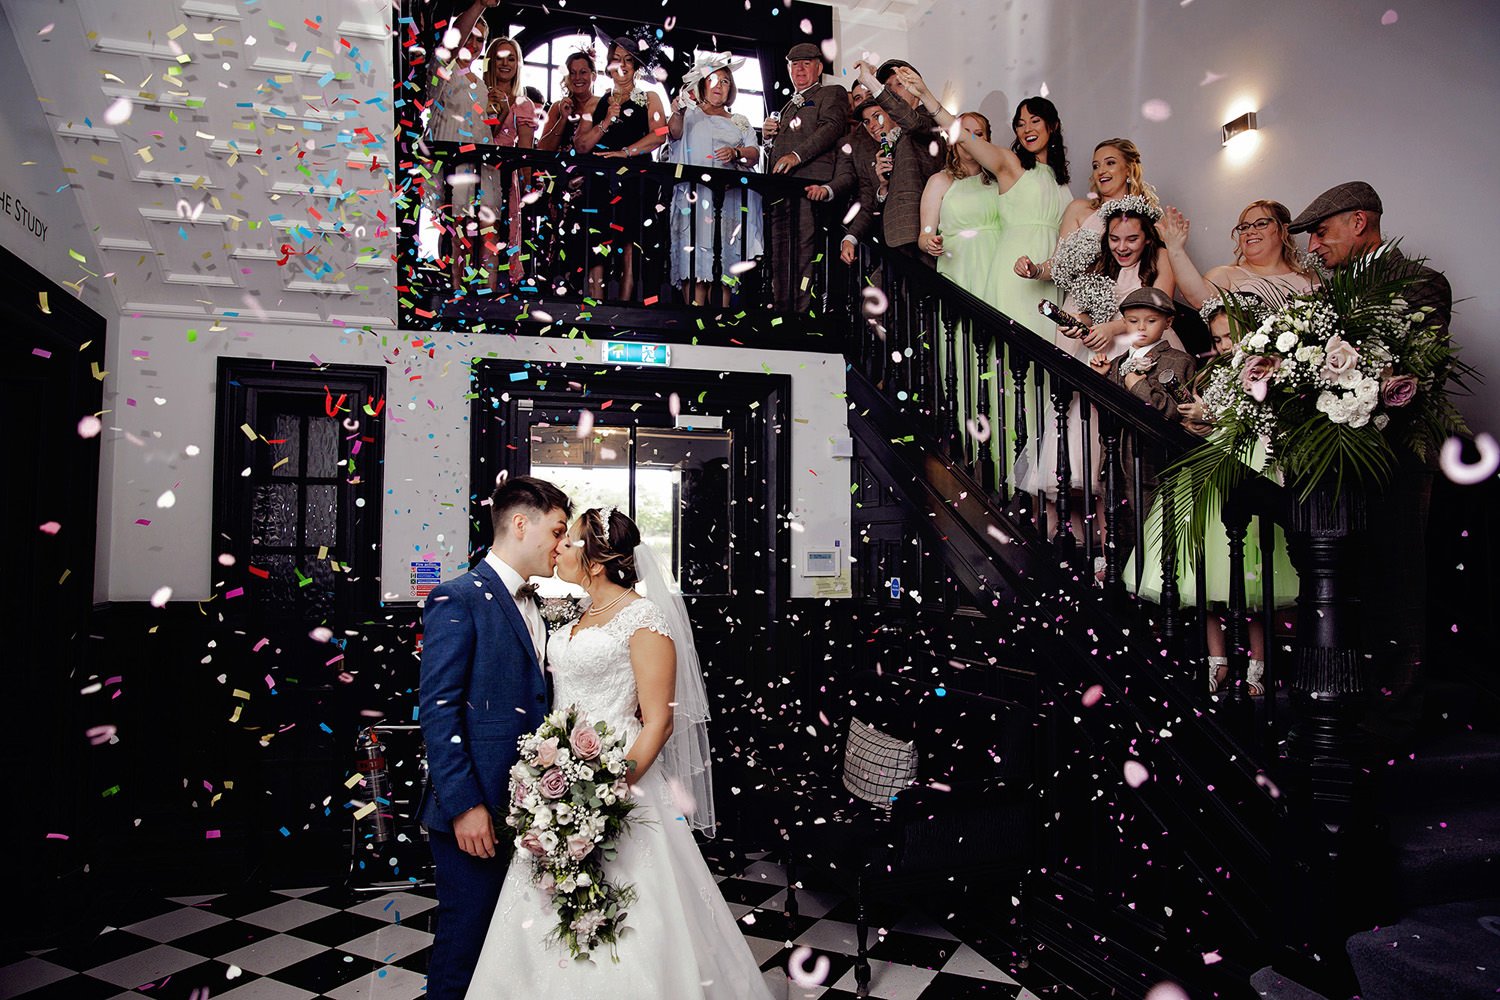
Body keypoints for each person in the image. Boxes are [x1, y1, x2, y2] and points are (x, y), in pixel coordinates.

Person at [465, 509, 773, 999]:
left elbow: (660, 720)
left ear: (597, 559)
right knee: (548, 904)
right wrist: (552, 778)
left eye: (569, 543)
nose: (559, 549)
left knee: (636, 920)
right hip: (559, 784)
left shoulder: (644, 619)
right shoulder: (575, 614)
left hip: (622, 784)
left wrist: (609, 788)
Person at [1289, 180, 1453, 745]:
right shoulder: (1328, 294)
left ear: (1359, 223)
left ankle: (1396, 719)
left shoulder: (1422, 283)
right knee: (1349, 586)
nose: (1313, 246)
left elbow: (1405, 364)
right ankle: (1354, 707)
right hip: (1338, 465)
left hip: (1397, 462)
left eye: (1321, 231)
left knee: (1396, 587)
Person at [418, 476, 574, 1000]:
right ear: (521, 523)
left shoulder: (545, 602)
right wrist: (464, 806)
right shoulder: (457, 597)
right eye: (556, 531)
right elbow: (438, 713)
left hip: (530, 811)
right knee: (464, 944)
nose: (561, 544)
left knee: (513, 950)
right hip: (477, 808)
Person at [1132, 294, 1298, 695]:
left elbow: (1262, 424)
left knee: (1253, 577)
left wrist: (1214, 418)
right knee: (1201, 577)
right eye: (1218, 339)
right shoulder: (1208, 373)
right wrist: (1197, 422)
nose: (1225, 346)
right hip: (1207, 473)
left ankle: (1259, 662)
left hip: (1249, 468)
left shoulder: (1270, 373)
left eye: (1231, 337)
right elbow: (1199, 425)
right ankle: (1216, 660)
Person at [572, 36, 668, 301]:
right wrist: (605, 122)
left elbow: (660, 135)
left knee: (629, 241)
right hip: (601, 179)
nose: (622, 65)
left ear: (636, 66)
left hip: (636, 177)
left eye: (628, 60)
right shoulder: (597, 102)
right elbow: (581, 145)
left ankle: (625, 304)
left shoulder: (650, 97)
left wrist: (625, 153)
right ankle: (596, 300)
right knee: (598, 239)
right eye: (617, 59)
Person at [666, 54, 763, 306]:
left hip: (727, 201)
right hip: (695, 200)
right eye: (713, 80)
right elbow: (674, 133)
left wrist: (736, 153)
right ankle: (693, 321)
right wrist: (677, 111)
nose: (719, 85)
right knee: (695, 263)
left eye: (725, 81)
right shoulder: (690, 115)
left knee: (723, 268)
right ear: (703, 84)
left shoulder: (739, 121)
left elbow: (753, 154)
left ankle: (720, 322)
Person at [764, 43, 848, 313]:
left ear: (819, 68)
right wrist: (767, 140)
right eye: (794, 64)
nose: (800, 68)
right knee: (780, 254)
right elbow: (778, 150)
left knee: (804, 254)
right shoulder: (788, 106)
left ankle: (800, 317)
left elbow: (831, 128)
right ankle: (782, 313)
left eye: (806, 63)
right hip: (780, 191)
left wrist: (795, 156)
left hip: (808, 187)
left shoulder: (831, 93)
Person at [1014, 137, 1160, 287]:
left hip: (1128, 303)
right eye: (1096, 166)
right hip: (1079, 304)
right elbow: (1058, 263)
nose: (1101, 171)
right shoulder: (1079, 209)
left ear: (1129, 170)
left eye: (1110, 163)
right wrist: (1035, 270)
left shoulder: (1148, 217)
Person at [420, 0, 495, 288]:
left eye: (480, 40)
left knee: (481, 228)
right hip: (450, 157)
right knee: (455, 227)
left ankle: (482, 288)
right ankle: (454, 286)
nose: (473, 44)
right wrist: (479, 5)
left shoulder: (481, 83)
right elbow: (453, 44)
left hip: (478, 160)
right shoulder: (442, 68)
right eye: (470, 36)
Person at [842, 59, 946, 262]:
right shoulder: (892, 138)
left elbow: (913, 122)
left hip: (923, 232)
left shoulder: (927, 119)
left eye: (899, 84)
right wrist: (883, 186)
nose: (893, 92)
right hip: (896, 237)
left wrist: (869, 81)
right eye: (887, 88)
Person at [1157, 199, 1319, 309]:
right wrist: (1175, 248)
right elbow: (1198, 298)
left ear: (1283, 230)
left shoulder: (1309, 278)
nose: (1250, 231)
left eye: (1261, 224)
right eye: (1244, 227)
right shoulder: (1226, 275)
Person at [474, 36, 536, 292]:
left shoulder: (523, 103)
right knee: (472, 232)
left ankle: (491, 292)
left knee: (496, 232)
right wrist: (495, 110)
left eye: (511, 58)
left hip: (504, 174)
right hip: (476, 169)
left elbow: (525, 149)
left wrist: (527, 187)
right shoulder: (476, 93)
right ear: (490, 62)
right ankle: (470, 287)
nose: (505, 63)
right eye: (500, 57)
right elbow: (479, 136)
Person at [807, 99, 886, 264]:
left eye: (877, 116)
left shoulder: (907, 140)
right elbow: (865, 197)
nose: (873, 125)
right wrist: (850, 238)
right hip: (872, 226)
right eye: (867, 121)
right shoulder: (855, 147)